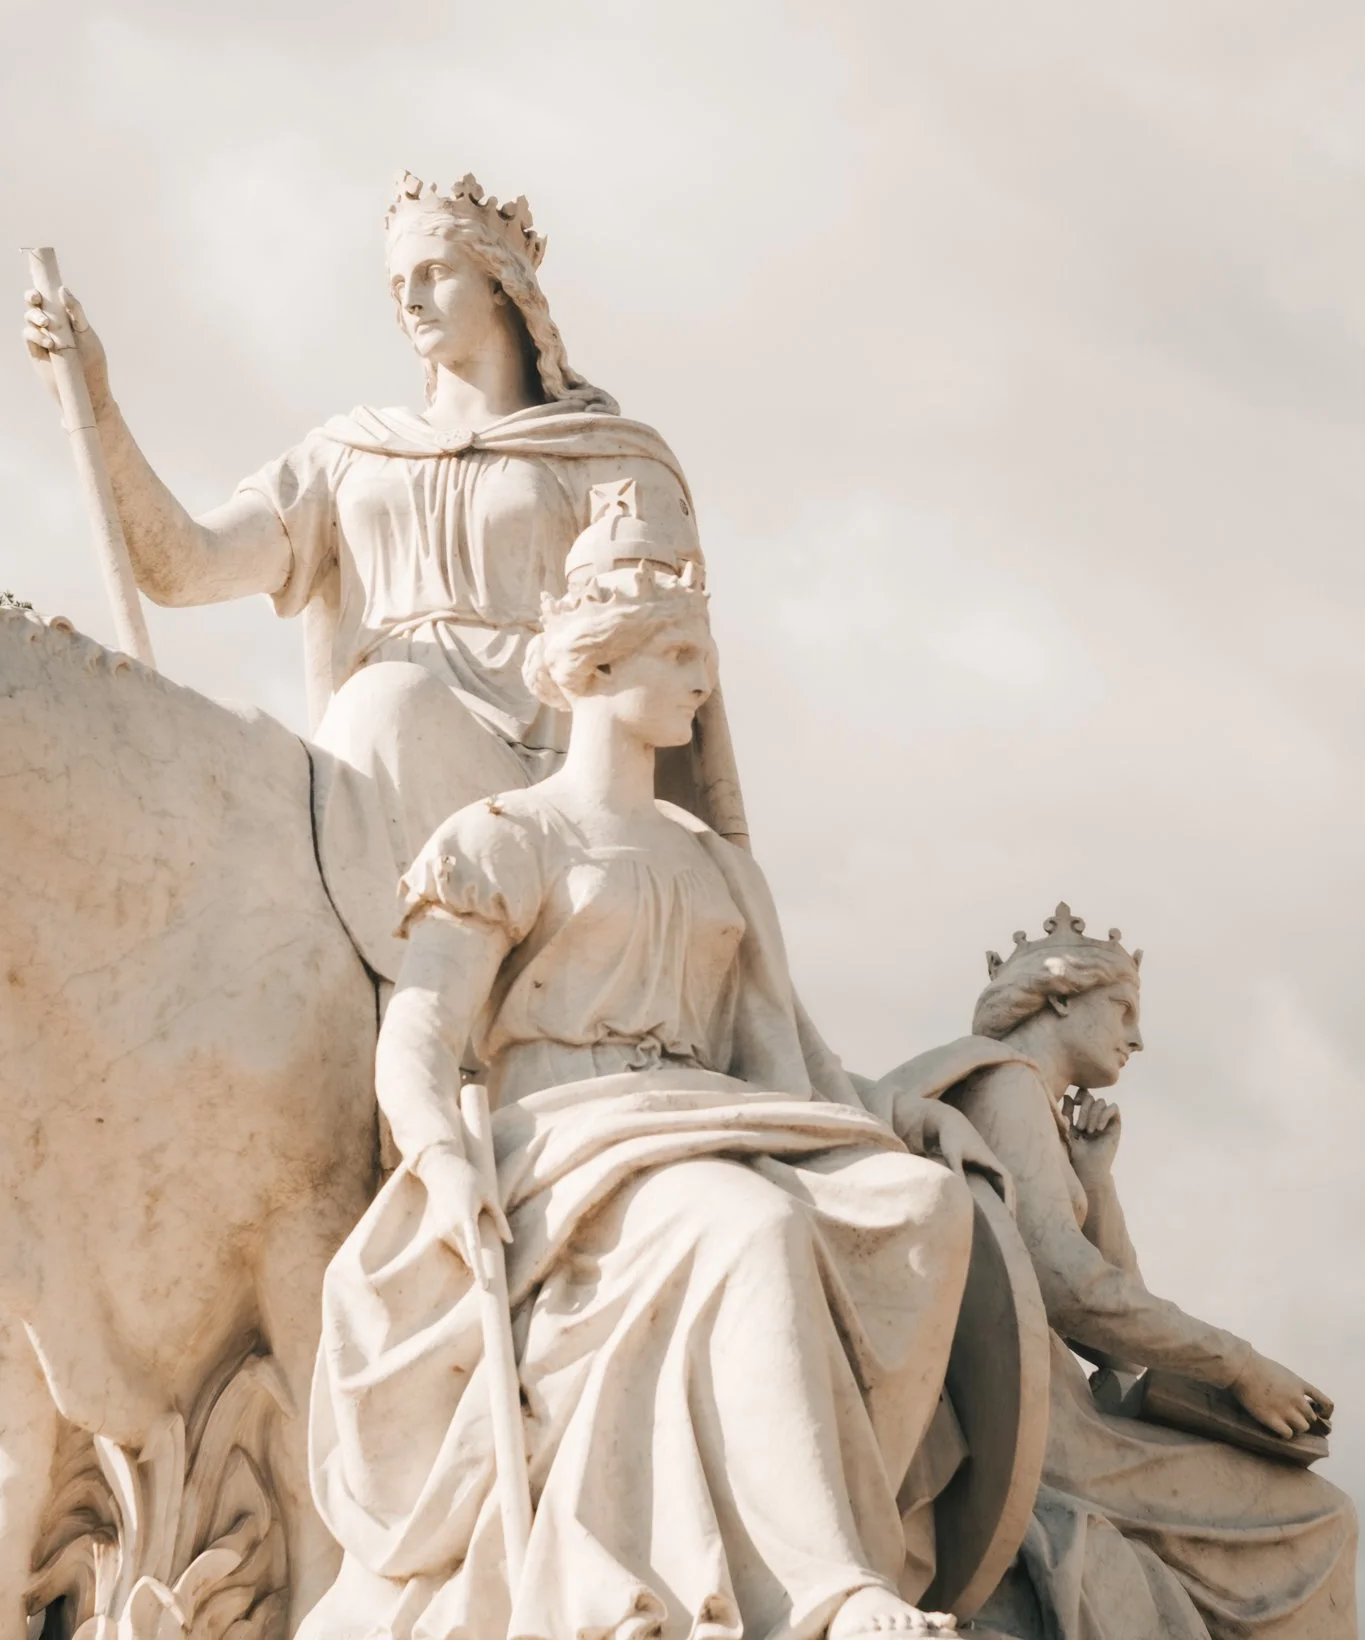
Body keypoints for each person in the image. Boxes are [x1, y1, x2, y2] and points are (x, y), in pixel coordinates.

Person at [300, 514, 996, 1640]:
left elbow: (794, 1058)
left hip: (714, 1119)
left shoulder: (717, 864)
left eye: (702, 660)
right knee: (747, 1224)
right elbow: (418, 1035)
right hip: (565, 1141)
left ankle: (831, 1525)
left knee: (919, 1208)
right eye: (677, 656)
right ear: (597, 664)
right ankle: (825, 1587)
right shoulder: (504, 835)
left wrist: (910, 1116)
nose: (700, 687)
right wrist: (438, 1160)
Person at [24, 173, 744, 971]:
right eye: (398, 285)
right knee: (278, 747)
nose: (412, 300)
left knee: (384, 701)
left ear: (502, 285)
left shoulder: (609, 458)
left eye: (434, 273)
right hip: (373, 772)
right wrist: (97, 405)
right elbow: (182, 566)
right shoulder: (349, 456)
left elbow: (655, 648)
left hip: (542, 785)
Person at [877, 906, 1357, 1640]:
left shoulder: (1029, 1105)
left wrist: (1094, 1184)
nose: (1135, 1038)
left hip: (1057, 1412)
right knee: (1317, 1519)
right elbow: (1069, 1289)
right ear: (1059, 999)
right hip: (1038, 1428)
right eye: (1122, 1009)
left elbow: (1115, 1339)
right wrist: (1240, 1367)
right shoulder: (1005, 1085)